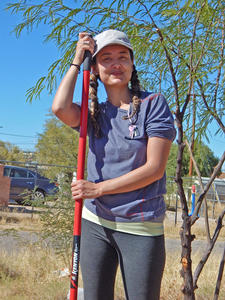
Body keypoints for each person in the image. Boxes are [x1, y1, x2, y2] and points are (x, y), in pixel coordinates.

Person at [52, 29, 176, 300]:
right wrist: (77, 60)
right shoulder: (95, 111)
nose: (116, 63)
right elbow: (60, 108)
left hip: (140, 226)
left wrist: (98, 189)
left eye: (123, 57)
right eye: (106, 58)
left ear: (132, 65)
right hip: (95, 221)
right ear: (95, 68)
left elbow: (154, 168)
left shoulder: (152, 104)